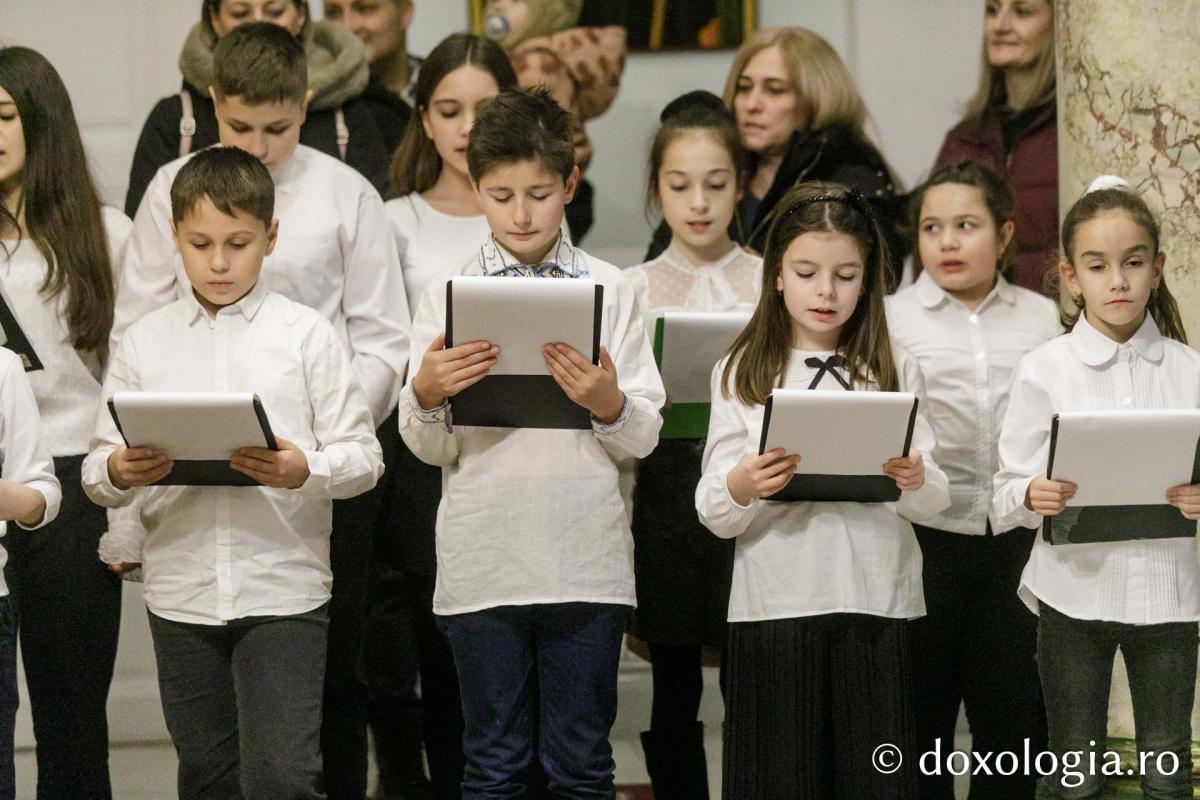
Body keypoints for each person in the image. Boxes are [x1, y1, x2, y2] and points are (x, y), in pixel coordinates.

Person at [103, 23, 411, 800]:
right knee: (209, 758)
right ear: (213, 105)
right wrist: (128, 492)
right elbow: (136, 336)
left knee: (321, 700)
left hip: (310, 474)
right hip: (189, 512)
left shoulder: (347, 194)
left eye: (278, 128)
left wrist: (313, 444)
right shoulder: (172, 186)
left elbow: (382, 337)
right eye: (241, 127)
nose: (260, 146)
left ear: (306, 104)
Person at [400, 87, 664, 797]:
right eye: (501, 195)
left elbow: (644, 435)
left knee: (581, 765)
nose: (520, 214)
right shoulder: (446, 292)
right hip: (483, 561)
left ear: (570, 184)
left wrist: (608, 403)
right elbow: (428, 448)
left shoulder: (612, 288)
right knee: (492, 765)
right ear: (476, 189)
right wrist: (426, 393)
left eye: (539, 194)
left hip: (585, 561)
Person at [696, 181, 950, 799]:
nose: (826, 292)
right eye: (807, 273)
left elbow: (935, 495)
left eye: (845, 275)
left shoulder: (894, 365)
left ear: (867, 282)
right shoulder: (742, 369)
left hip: (877, 599)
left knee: (878, 780)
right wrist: (743, 483)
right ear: (776, 277)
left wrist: (915, 478)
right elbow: (713, 509)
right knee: (779, 779)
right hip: (775, 602)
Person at [993, 176, 1200, 799]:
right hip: (1072, 596)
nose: (1118, 281)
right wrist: (1032, 493)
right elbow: (1005, 490)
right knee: (1074, 771)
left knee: (1167, 770)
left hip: (1170, 594)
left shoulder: (1190, 371)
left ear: (1156, 270)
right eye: (1097, 265)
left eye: (1133, 263)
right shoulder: (1043, 370)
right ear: (1071, 277)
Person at [368, 32, 519, 800]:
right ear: (423, 119)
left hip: (514, 445)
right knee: (417, 635)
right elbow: (380, 338)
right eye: (449, 110)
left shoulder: (528, 215)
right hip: (420, 447)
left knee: (494, 638)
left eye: (484, 110)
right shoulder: (393, 219)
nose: (466, 129)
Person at [886, 161, 1057, 800]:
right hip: (922, 535)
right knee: (921, 716)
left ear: (1005, 235)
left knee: (1011, 718)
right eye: (932, 228)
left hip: (1016, 537)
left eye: (966, 225)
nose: (948, 242)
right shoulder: (892, 317)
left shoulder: (1042, 317)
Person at [0, 45, 130, 800]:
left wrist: (127, 515)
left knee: (70, 719)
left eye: (4, 116)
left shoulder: (106, 234)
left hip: (75, 486)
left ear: (40, 121)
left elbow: (133, 376)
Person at [622, 89, 759, 800]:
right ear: (656, 189)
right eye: (679, 186)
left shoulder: (769, 278)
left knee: (750, 674)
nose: (699, 203)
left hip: (751, 485)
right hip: (667, 492)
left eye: (716, 184)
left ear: (742, 184)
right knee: (673, 681)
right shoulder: (634, 287)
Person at [647, 28, 903, 268]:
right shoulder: (718, 159)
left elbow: (880, 273)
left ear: (817, 99)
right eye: (744, 88)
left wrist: (768, 273)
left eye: (775, 90)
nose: (752, 104)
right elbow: (659, 262)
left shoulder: (849, 174)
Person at [124, 0, 394, 217]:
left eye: (274, 10)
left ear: (300, 15)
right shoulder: (177, 120)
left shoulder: (349, 116)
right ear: (215, 19)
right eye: (240, 13)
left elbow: (375, 233)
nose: (258, 22)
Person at [934, 0, 1056, 295]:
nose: (1000, 26)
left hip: (1053, 316)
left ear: (1058, 26)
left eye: (1022, 12)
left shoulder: (1074, 139)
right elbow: (929, 244)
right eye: (992, 10)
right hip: (967, 317)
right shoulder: (962, 139)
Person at [324, 0, 424, 154]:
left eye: (365, 8)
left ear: (405, 12)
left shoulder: (441, 86)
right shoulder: (316, 101)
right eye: (333, 13)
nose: (347, 27)